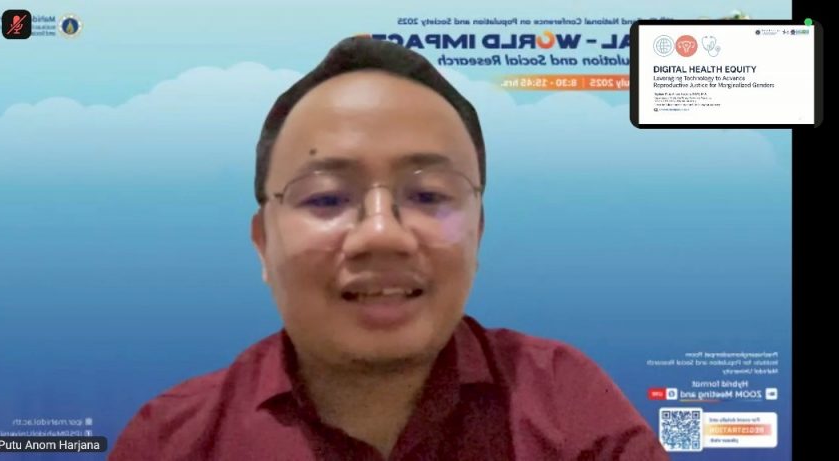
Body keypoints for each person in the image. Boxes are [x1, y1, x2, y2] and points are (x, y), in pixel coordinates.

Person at [110, 36, 668, 461]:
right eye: (327, 198)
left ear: (477, 233)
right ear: (262, 243)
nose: (382, 234)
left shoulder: (568, 409)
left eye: (429, 195)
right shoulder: (173, 441)